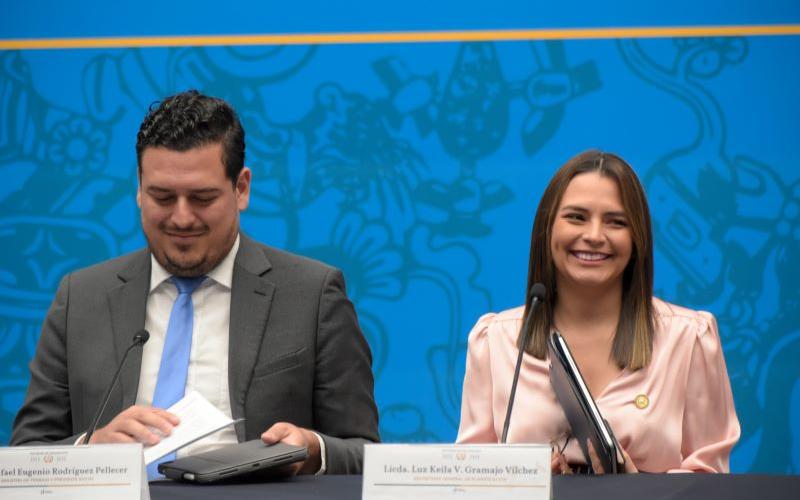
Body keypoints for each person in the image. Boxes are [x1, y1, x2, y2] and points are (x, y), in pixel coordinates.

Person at [11, 90, 379, 476]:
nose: (181, 218)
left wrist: (313, 449)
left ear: (241, 189)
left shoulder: (312, 294)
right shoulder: (81, 298)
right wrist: (91, 448)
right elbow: (25, 457)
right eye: (163, 197)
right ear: (139, 187)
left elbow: (364, 454)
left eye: (202, 198)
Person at [456, 150, 740, 473]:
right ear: (547, 229)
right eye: (576, 217)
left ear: (637, 238)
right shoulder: (495, 341)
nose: (593, 236)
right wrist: (528, 484)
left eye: (616, 222)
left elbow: (713, 484)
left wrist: (638, 492)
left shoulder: (690, 339)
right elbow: (469, 479)